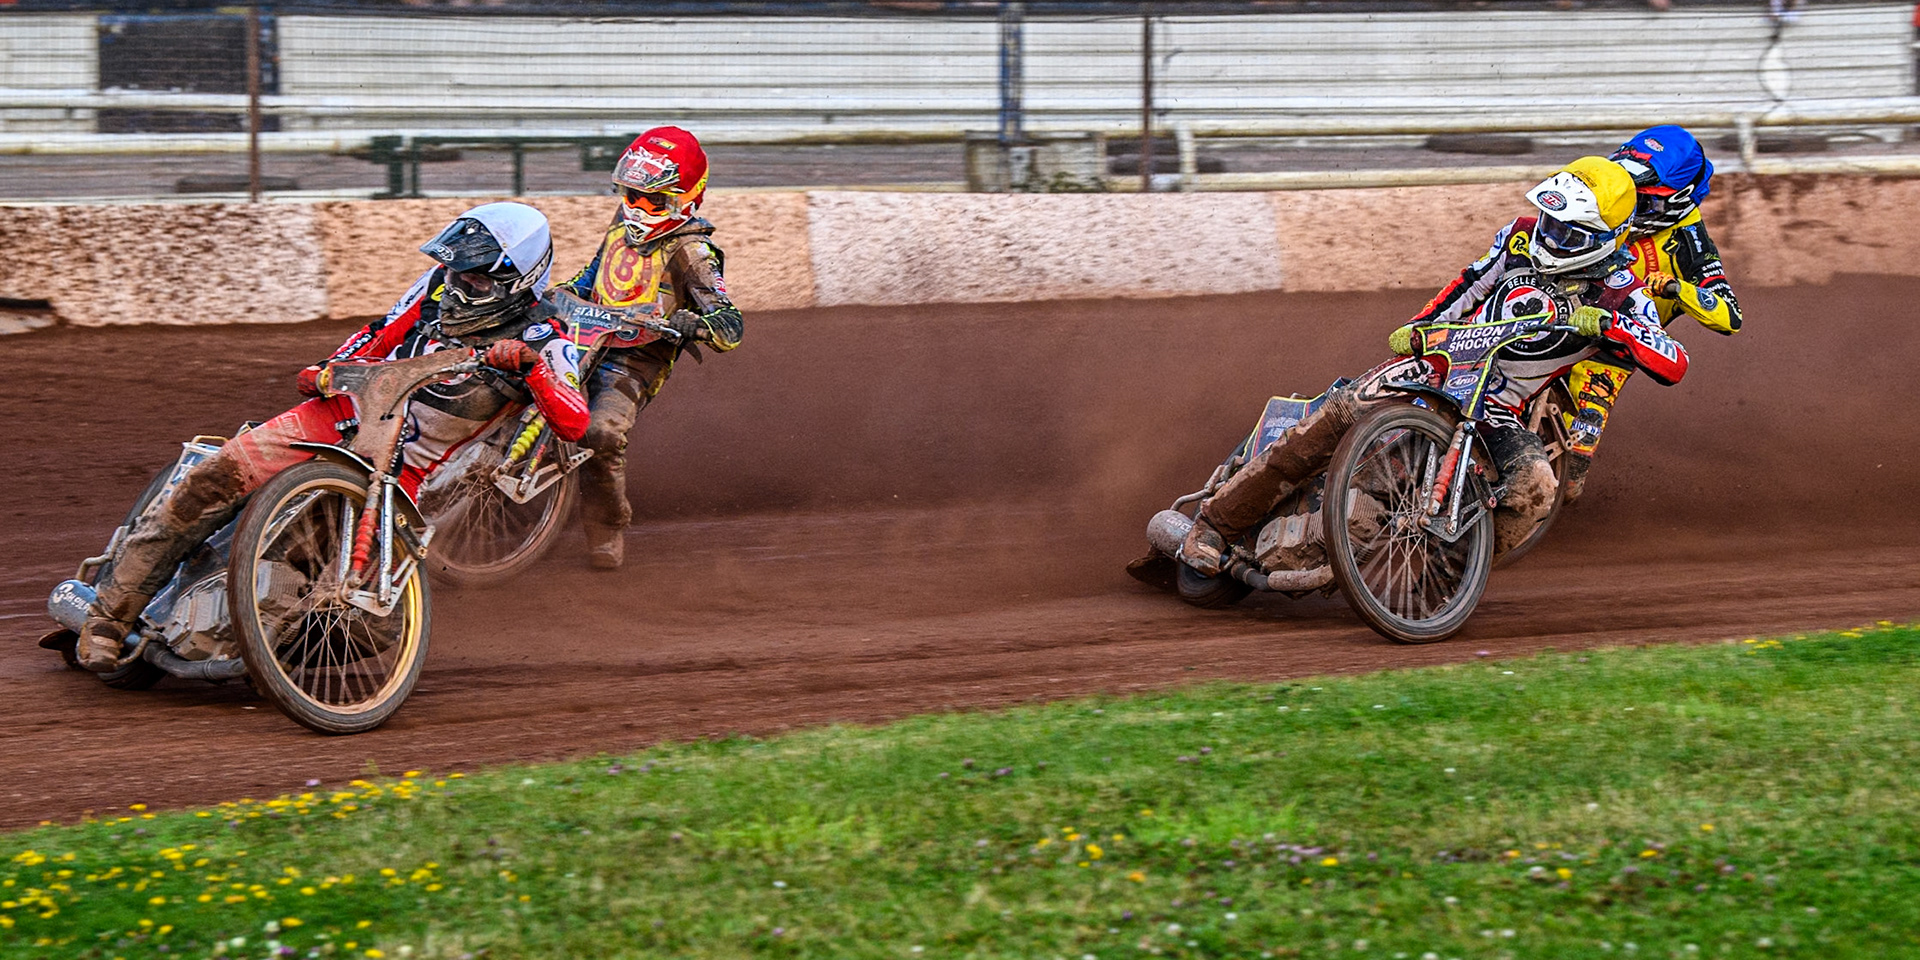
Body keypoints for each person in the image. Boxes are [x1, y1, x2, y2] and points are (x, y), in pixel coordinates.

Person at [75, 202, 589, 672]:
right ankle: (108, 618)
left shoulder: (545, 336)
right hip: (332, 417)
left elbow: (574, 423)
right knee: (207, 484)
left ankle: (265, 656)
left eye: (474, 281)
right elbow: (378, 333)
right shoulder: (435, 286)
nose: (456, 286)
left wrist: (533, 368)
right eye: (455, 271)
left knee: (369, 615)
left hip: (395, 476)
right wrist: (327, 367)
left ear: (518, 282)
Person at [1181, 157, 1690, 574]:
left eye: (1568, 231)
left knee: (1537, 488)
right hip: (1444, 366)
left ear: (1609, 235)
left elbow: (1674, 362)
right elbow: (1468, 286)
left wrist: (1610, 327)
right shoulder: (1519, 238)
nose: (1550, 236)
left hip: (1496, 407)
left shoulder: (1622, 292)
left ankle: (1442, 576)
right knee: (1340, 414)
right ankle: (1216, 523)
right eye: (1550, 220)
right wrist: (1420, 327)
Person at [563, 125, 744, 570]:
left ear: (687, 199)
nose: (638, 208)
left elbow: (731, 323)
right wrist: (551, 294)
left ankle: (607, 524)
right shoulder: (618, 227)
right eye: (631, 195)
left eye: (653, 200)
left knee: (601, 432)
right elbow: (590, 280)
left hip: (638, 356)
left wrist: (693, 324)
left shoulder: (692, 250)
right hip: (588, 332)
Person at [1557, 125, 1742, 499]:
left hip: (1612, 344)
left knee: (1576, 449)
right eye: (1630, 192)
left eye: (1646, 201)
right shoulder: (1606, 194)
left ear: (1679, 200)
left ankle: (1546, 502)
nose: (1632, 205)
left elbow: (1730, 317)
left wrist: (1679, 289)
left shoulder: (1690, 242)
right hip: (1555, 308)